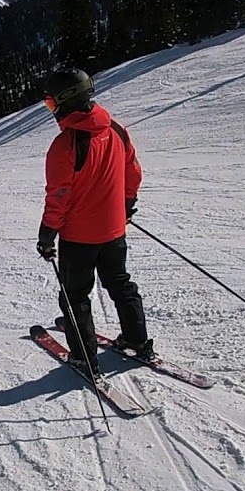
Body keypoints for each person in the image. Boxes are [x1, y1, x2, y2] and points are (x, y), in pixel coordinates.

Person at [36, 68, 154, 378]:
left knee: (75, 296)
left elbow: (59, 196)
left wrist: (48, 234)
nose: (52, 111)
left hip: (79, 238)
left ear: (65, 102)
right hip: (114, 231)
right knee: (120, 283)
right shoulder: (115, 129)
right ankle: (135, 338)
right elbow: (133, 173)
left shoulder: (65, 146)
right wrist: (126, 206)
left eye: (51, 104)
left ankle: (83, 358)